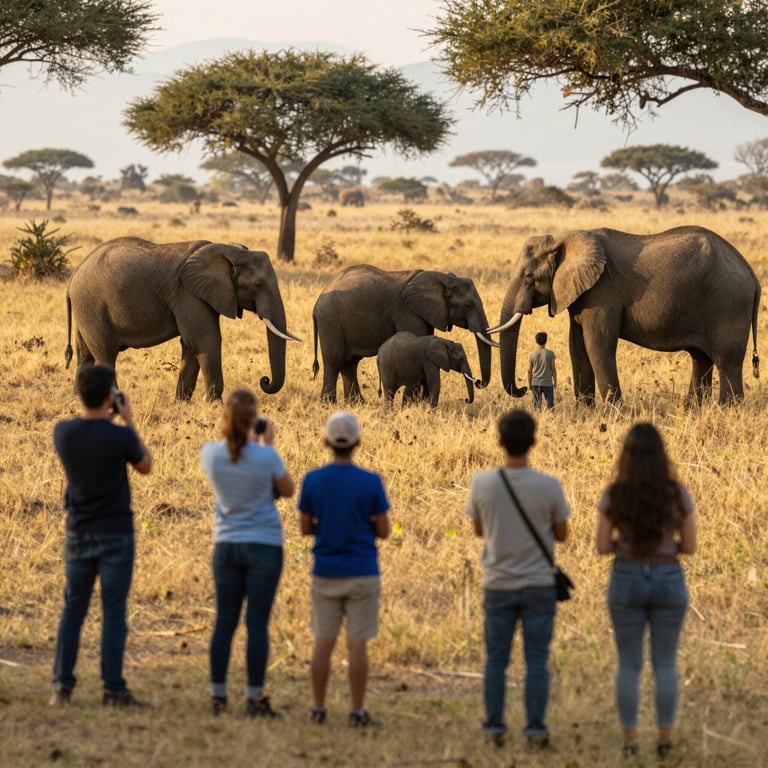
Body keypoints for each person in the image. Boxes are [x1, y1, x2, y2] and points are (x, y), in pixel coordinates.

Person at [465, 409, 570, 748]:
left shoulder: (482, 482)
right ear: (534, 442)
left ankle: (495, 726)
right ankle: (535, 729)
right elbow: (562, 534)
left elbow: (479, 529)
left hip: (498, 582)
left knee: (496, 660)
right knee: (536, 661)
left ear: (498, 441)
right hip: (539, 583)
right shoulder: (549, 485)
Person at [51, 364, 153, 707]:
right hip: (116, 535)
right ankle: (113, 688)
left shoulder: (62, 433)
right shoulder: (120, 436)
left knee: (73, 610)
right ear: (112, 396)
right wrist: (128, 420)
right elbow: (146, 465)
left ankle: (61, 686)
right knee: (114, 614)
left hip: (78, 532)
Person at [596, 422, 696, 760]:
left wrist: (625, 545)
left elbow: (601, 546)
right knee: (665, 663)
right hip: (668, 576)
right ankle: (665, 739)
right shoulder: (676, 492)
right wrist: (668, 547)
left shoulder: (615, 493)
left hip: (626, 575)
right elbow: (691, 546)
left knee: (629, 664)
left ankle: (629, 740)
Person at [201, 388, 295, 718]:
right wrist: (268, 444)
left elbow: (234, 459)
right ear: (255, 419)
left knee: (224, 622)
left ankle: (218, 695)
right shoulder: (266, 456)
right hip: (264, 545)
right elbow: (287, 490)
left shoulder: (210, 454)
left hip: (225, 545)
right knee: (257, 624)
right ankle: (255, 698)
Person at [298, 411, 390, 728]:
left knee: (323, 642)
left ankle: (319, 709)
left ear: (325, 442)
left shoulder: (312, 480)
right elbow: (384, 530)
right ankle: (356, 711)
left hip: (325, 570)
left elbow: (304, 528)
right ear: (358, 442)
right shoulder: (371, 482)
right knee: (357, 645)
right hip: (363, 570)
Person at [527, 331, 557, 411]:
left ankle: (538, 420)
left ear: (536, 341)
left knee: (536, 405)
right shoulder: (550, 354)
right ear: (546, 341)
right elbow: (553, 369)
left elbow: (529, 371)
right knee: (550, 405)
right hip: (548, 383)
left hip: (536, 383)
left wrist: (530, 383)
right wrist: (555, 382)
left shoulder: (532, 354)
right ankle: (551, 420)